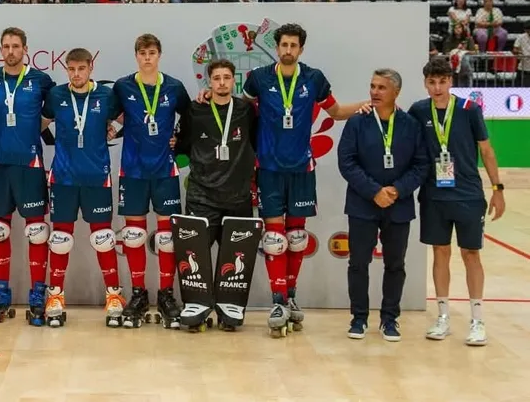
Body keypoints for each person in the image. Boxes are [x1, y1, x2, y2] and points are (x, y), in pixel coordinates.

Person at [204, 23, 366, 334]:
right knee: (275, 239)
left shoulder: (314, 79)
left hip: (302, 170)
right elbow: (237, 110)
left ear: (301, 49)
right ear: (277, 48)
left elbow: (336, 112)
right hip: (268, 170)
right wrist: (209, 95)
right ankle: (278, 299)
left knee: (296, 239)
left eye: (294, 46)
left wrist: (367, 105)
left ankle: (291, 298)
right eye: (284, 45)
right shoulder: (260, 78)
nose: (288, 50)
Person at [409, 57, 505, 346]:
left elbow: (486, 151)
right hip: (433, 195)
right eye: (432, 82)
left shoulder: (469, 110)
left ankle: (477, 321)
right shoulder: (418, 111)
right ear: (425, 83)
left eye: (442, 81)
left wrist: (497, 188)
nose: (437, 87)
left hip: (468, 194)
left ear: (451, 82)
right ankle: (443, 317)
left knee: (471, 254)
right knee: (440, 252)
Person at [339, 69, 430, 342]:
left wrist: (397, 190)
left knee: (395, 264)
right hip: (362, 205)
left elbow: (421, 164)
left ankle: (390, 319)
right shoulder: (357, 122)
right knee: (358, 263)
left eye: (381, 87)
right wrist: (373, 191)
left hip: (398, 205)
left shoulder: (410, 125)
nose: (375, 92)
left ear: (396, 92)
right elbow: (347, 161)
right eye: (372, 86)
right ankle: (359, 318)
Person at [111, 34, 190, 327]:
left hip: (164, 172)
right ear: (136, 56)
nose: (147, 58)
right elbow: (107, 115)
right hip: (132, 170)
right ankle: (139, 293)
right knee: (133, 235)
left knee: (167, 238)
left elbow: (192, 117)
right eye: (142, 53)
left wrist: (179, 141)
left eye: (152, 52)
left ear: (160, 56)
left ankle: (167, 294)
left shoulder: (174, 87)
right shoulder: (122, 86)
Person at [40, 48, 122, 327]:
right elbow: (38, 124)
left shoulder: (106, 96)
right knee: (61, 241)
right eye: (71, 69)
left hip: (96, 178)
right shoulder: (56, 96)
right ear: (66, 70)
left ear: (91, 68)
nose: (76, 74)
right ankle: (55, 297)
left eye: (81, 69)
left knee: (104, 239)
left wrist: (113, 129)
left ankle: (113, 295)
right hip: (63, 178)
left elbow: (127, 118)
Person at [174, 59, 258, 330]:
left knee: (235, 255)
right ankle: (197, 304)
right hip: (202, 194)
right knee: (194, 252)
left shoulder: (247, 111)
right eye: (217, 78)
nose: (222, 82)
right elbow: (183, 145)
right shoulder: (195, 109)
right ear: (208, 82)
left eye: (227, 77)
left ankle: (229, 306)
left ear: (234, 81)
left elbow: (256, 144)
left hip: (238, 195)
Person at [0, 27, 55, 325]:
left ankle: (38, 292)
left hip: (30, 164)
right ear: (0, 50)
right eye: (6, 46)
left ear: (26, 49)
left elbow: (52, 113)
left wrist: (26, 133)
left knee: (37, 231)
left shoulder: (40, 80)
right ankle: (1, 292)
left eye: (16, 46)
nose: (11, 51)